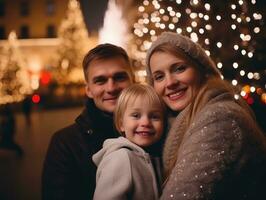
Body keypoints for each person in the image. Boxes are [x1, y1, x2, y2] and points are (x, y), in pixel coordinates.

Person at [146, 32, 266, 199]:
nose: (170, 82)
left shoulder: (220, 117)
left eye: (179, 68)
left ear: (201, 70)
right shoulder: (171, 123)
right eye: (159, 77)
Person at [42, 43, 134, 200]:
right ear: (89, 90)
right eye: (100, 81)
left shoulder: (157, 130)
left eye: (119, 77)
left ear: (133, 80)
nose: (111, 88)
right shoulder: (65, 144)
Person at [93, 84, 165, 200]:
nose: (145, 122)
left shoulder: (156, 158)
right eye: (136, 115)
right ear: (121, 124)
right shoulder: (120, 158)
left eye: (155, 116)